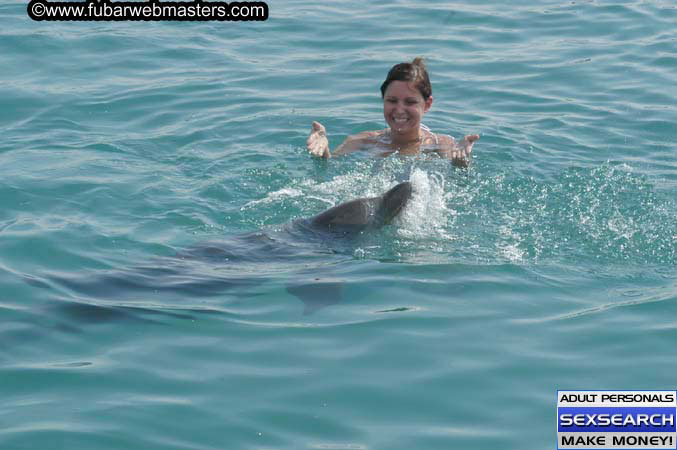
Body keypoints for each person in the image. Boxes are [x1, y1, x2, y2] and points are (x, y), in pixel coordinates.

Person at [306, 57, 479, 167]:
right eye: (392, 101)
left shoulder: (441, 145)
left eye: (410, 102)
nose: (399, 109)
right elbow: (330, 170)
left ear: (427, 105)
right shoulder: (361, 142)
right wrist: (323, 150)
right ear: (383, 101)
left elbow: (457, 182)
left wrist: (461, 163)